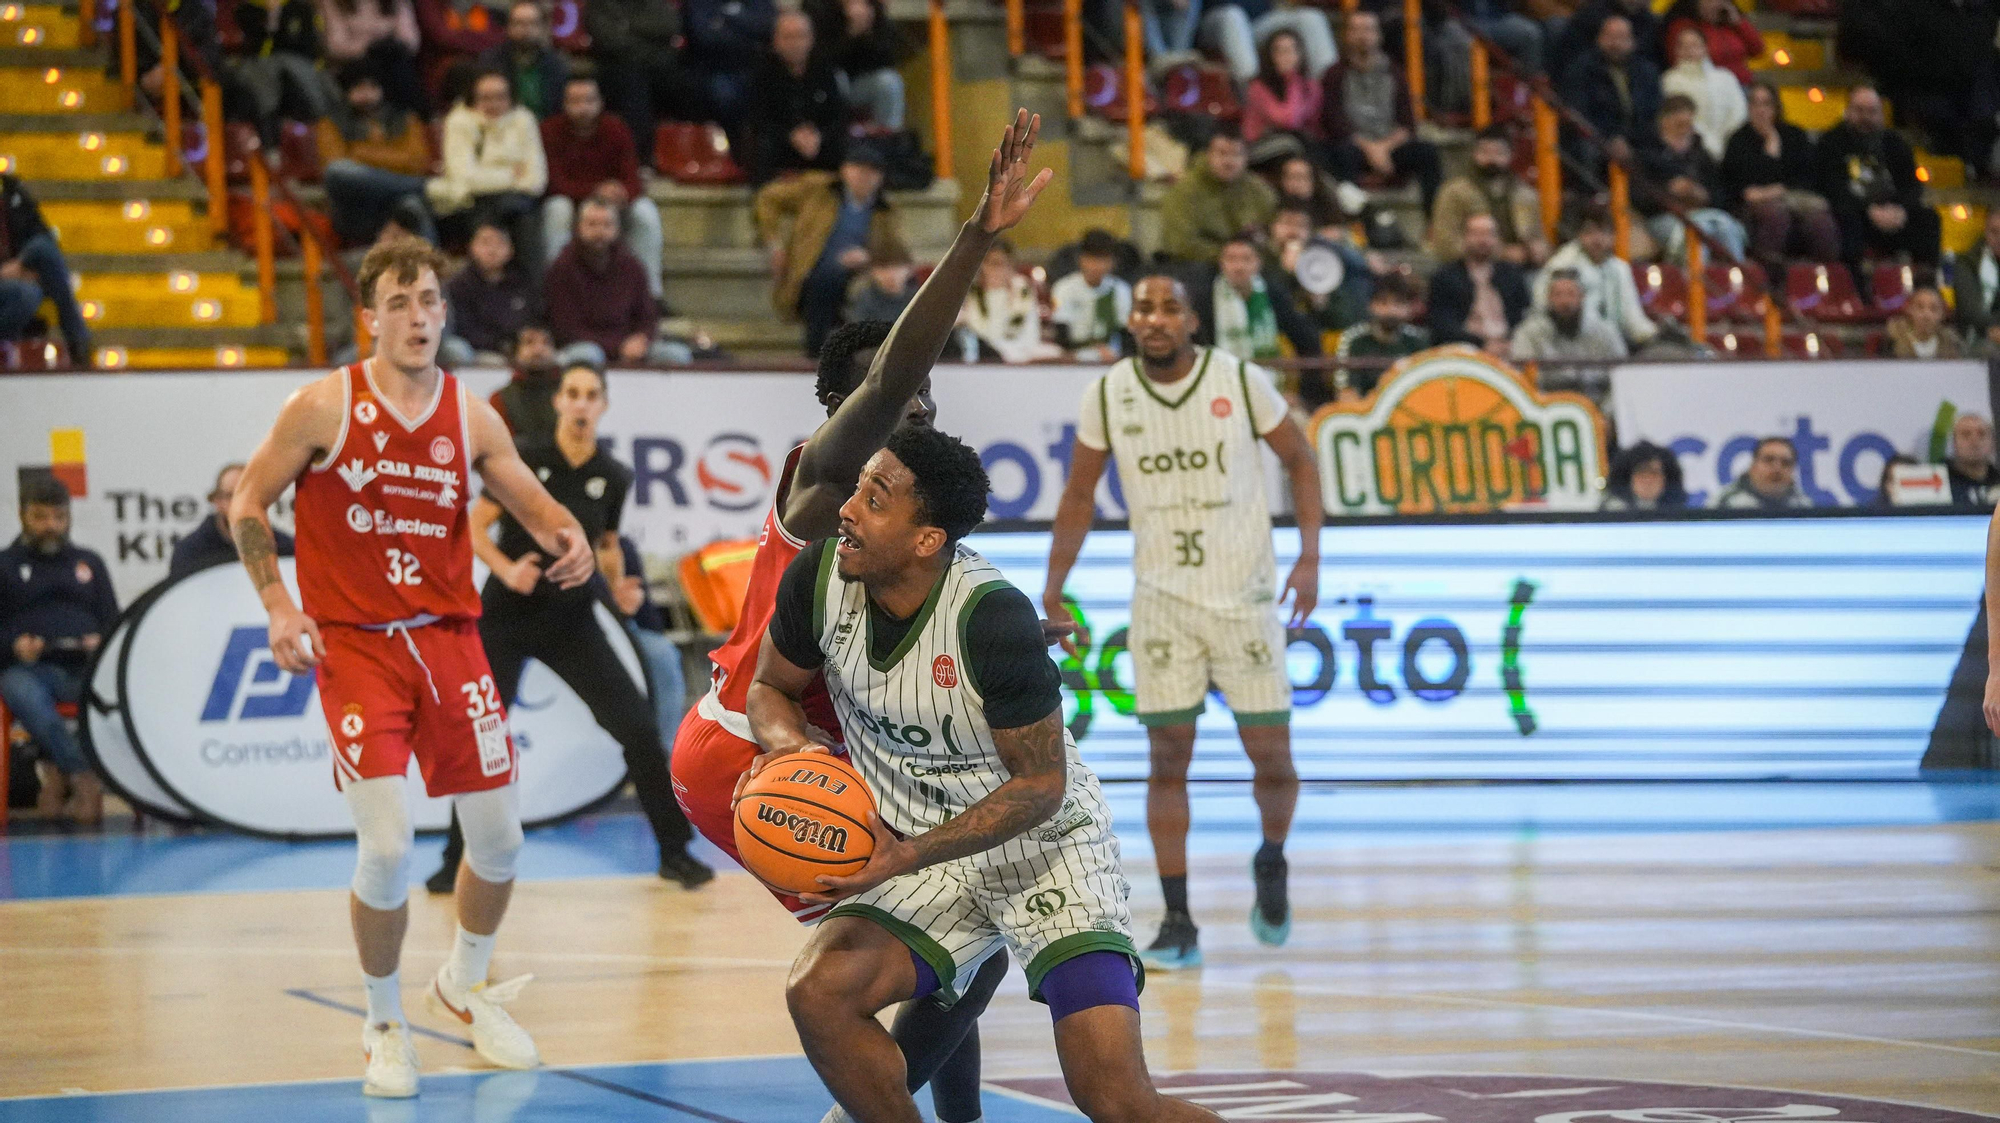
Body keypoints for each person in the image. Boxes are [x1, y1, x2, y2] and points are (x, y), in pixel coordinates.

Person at [671, 110, 1051, 1123]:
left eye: (928, 395)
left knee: (953, 929)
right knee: (954, 936)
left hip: (798, 741)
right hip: (752, 743)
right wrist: (975, 238)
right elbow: (886, 377)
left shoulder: (907, 518)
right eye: (899, 397)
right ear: (842, 412)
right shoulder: (826, 480)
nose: (916, 406)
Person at [749, 425, 1232, 1123]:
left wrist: (907, 852)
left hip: (1046, 854)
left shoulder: (992, 618)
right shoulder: (821, 577)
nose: (847, 508)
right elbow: (769, 687)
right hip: (919, 849)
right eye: (857, 487)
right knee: (819, 990)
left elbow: (1040, 787)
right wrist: (790, 753)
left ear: (926, 539)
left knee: (1118, 1100)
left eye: (875, 499)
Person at [228, 239, 596, 1098]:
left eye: (430, 300)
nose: (420, 317)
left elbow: (527, 499)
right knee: (389, 848)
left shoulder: (471, 414)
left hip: (449, 640)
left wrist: (566, 535)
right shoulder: (322, 405)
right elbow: (249, 500)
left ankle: (463, 986)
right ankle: (384, 1020)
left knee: (501, 839)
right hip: (355, 643)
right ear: (369, 318)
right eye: (399, 303)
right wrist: (280, 605)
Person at [1044, 272, 1323, 970]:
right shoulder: (1108, 392)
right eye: (1145, 307)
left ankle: (1271, 856)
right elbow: (1080, 494)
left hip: (1247, 597)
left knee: (1275, 762)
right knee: (1167, 759)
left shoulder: (1240, 379)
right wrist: (1053, 587)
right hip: (1162, 598)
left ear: (1193, 319)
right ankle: (1177, 918)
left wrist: (1310, 556)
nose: (1157, 317)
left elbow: (1300, 458)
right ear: (1131, 320)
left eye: (1171, 306)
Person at [424, 361, 712, 893]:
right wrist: (507, 569)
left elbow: (605, 544)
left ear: (602, 405)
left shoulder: (615, 475)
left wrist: (621, 586)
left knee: (641, 732)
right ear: (558, 401)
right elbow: (472, 526)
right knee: (480, 738)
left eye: (591, 395)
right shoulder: (527, 456)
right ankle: (452, 860)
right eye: (572, 393)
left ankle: (675, 852)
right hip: (506, 618)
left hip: (572, 619)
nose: (580, 403)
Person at [0, 473, 112, 824]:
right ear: (22, 515)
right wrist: (14, 645)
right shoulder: (4, 565)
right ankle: (83, 776)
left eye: (59, 517)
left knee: (124, 693)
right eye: (41, 517)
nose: (51, 526)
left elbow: (114, 620)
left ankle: (57, 775)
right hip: (31, 670)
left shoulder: (89, 563)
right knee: (22, 691)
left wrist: (102, 641)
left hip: (85, 667)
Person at [757, 146, 902, 358]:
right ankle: (816, 351)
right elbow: (768, 198)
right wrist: (774, 243)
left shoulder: (885, 211)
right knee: (824, 279)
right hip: (815, 267)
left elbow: (895, 250)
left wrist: (868, 257)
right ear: (844, 170)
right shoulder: (818, 190)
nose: (864, 177)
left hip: (862, 272)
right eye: (858, 169)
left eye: (872, 172)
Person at [539, 73, 665, 301]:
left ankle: (650, 294)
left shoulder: (616, 127)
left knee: (646, 212)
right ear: (564, 104)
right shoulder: (549, 130)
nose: (583, 108)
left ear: (600, 102)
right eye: (575, 102)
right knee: (557, 208)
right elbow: (553, 182)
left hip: (612, 204)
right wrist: (595, 192)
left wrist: (622, 192)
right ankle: (555, 293)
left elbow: (632, 177)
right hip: (573, 202)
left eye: (589, 100)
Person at [1813, 85, 1942, 280]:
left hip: (1893, 214)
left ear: (1881, 115)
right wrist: (1869, 210)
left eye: (1872, 111)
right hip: (1854, 214)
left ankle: (1925, 285)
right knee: (1846, 221)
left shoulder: (1894, 143)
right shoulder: (1831, 143)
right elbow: (1832, 188)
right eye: (1859, 110)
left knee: (1929, 218)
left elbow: (1913, 186)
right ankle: (1856, 288)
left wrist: (1899, 209)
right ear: (1847, 111)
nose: (1866, 117)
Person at [1320, 10, 1443, 214]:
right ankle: (1353, 222)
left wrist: (1383, 148)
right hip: (1354, 146)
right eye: (1356, 30)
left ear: (1379, 35)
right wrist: (1371, 149)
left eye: (1368, 29)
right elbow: (1334, 122)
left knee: (1428, 152)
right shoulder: (1334, 75)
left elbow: (1407, 123)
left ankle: (1432, 222)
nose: (1363, 36)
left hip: (1389, 147)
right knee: (1338, 153)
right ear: (1346, 35)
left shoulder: (1395, 73)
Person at [428, 69, 547, 275]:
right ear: (473, 98)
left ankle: (531, 294)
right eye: (486, 98)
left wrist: (486, 175)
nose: (493, 104)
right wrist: (512, 174)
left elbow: (536, 180)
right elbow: (464, 179)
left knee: (521, 213)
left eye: (500, 97)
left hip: (515, 202)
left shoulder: (524, 119)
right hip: (470, 203)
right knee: (491, 216)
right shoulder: (458, 121)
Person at [544, 197, 685, 367]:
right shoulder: (562, 267)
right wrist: (617, 347)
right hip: (582, 347)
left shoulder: (631, 266)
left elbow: (648, 315)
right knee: (588, 354)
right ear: (578, 228)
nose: (600, 232)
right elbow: (565, 329)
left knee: (675, 354)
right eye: (592, 224)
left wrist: (642, 339)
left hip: (629, 346)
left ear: (617, 229)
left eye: (607, 225)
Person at [1720, 82, 1838, 274]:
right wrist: (1769, 158)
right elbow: (1738, 185)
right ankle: (1769, 280)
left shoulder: (1794, 136)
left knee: (1820, 222)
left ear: (1776, 107)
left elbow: (1806, 176)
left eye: (1766, 104)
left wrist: (1775, 188)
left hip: (1793, 198)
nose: (1761, 110)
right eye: (1755, 104)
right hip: (1749, 206)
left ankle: (1827, 277)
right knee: (1775, 215)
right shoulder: (1738, 140)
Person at [321, 63, 439, 248]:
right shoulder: (331, 122)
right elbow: (335, 162)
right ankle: (423, 187)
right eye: (359, 87)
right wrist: (392, 161)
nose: (366, 94)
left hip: (395, 202)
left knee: (412, 205)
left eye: (372, 87)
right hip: (356, 207)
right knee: (337, 171)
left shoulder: (405, 118)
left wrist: (360, 154)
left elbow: (416, 162)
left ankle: (431, 269)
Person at [1639, 94, 1747, 263]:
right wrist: (1670, 192)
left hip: (1702, 212)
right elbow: (1638, 196)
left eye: (1687, 124)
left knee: (1726, 227)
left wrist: (1703, 195)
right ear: (1663, 123)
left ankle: (1737, 278)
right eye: (1678, 124)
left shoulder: (1702, 156)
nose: (1684, 130)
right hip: (1664, 216)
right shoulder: (1647, 155)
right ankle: (1696, 284)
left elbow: (1720, 193)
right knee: (1696, 231)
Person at [747, 10, 851, 186]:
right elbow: (758, 119)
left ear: (811, 39)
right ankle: (764, 203)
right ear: (775, 41)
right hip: (781, 142)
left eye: (801, 36)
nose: (795, 43)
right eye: (788, 37)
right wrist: (791, 135)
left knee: (848, 150)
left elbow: (839, 116)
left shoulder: (826, 71)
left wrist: (819, 135)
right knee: (761, 148)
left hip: (818, 142)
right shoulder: (762, 73)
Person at [1536, 204, 1657, 351]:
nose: (1597, 239)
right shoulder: (1562, 264)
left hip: (1613, 344)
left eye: (1604, 232)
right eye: (1590, 232)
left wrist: (1656, 336)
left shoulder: (1620, 268)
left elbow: (1632, 319)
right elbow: (1543, 310)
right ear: (1579, 235)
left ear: (1613, 236)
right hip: (1569, 344)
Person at [584, 0, 690, 166]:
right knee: (632, 85)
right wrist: (650, 41)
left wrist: (627, 25)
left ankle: (684, 152)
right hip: (616, 66)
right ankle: (638, 160)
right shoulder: (601, 4)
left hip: (657, 66)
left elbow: (669, 26)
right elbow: (609, 40)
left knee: (690, 83)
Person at [1195, 235, 1323, 369]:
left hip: (1268, 378)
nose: (1239, 267)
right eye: (1231, 259)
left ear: (1258, 262)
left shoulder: (1273, 293)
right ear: (1221, 263)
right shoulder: (1206, 297)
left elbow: (1304, 337)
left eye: (1246, 259)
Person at [1425, 124, 1547, 265]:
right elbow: (1446, 244)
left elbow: (1538, 237)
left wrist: (1537, 250)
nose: (1491, 158)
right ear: (1474, 153)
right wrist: (1502, 253)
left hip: (1517, 269)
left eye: (1498, 152)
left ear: (1510, 155)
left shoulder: (1526, 195)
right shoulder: (1454, 192)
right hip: (1466, 267)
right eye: (1485, 152)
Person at [0, 175, 90, 363]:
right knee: (27, 294)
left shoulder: (12, 191)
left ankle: (78, 342)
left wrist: (22, 265)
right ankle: (78, 340)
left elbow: (42, 233)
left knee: (44, 249)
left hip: (19, 270)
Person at [1160, 126, 1279, 265]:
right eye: (1222, 153)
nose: (1229, 161)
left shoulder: (1259, 190)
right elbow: (1180, 244)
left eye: (1236, 154)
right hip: (1199, 264)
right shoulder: (1185, 190)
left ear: (1246, 158)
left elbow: (1273, 232)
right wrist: (1230, 258)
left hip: (1250, 264)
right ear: (1208, 155)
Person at [1559, 14, 1660, 173]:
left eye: (1621, 38)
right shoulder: (1581, 69)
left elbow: (1653, 113)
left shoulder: (1646, 72)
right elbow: (1579, 113)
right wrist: (1611, 139)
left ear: (1632, 41)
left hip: (1637, 141)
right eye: (1610, 37)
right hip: (1597, 140)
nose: (1616, 44)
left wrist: (1628, 140)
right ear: (1599, 39)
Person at [231, 0, 336, 148]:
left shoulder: (301, 8)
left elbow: (306, 44)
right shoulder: (246, 9)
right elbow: (250, 43)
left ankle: (320, 135)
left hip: (298, 64)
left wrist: (277, 24)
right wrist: (270, 22)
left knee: (302, 78)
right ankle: (268, 143)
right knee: (260, 76)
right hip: (257, 65)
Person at [612, 534, 687, 739]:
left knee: (660, 651)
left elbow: (650, 621)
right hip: (571, 623)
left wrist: (627, 606)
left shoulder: (622, 547)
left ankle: (666, 752)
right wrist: (609, 601)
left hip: (624, 626)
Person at [168, 463, 297, 581]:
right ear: (217, 501)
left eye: (249, 495)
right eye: (231, 496)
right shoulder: (191, 552)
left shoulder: (285, 547)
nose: (241, 504)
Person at [1426, 213, 1531, 352]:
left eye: (1489, 234)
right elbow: (1443, 324)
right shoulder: (1445, 277)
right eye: (1476, 234)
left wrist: (1509, 341)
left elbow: (1524, 314)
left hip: (1510, 346)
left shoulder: (1512, 274)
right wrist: (1481, 344)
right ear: (1465, 237)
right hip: (1464, 349)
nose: (1483, 240)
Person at [442, 221, 538, 365]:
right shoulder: (458, 285)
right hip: (479, 351)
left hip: (520, 348)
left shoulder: (522, 281)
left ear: (511, 250)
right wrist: (504, 345)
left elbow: (533, 319)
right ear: (471, 247)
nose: (492, 250)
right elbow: (465, 329)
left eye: (500, 243)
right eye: (485, 243)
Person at [1509, 268, 1628, 383]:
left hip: (1596, 400)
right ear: (1548, 298)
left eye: (1571, 294)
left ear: (1582, 297)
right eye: (1558, 294)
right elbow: (1521, 377)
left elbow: (1622, 375)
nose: (1565, 301)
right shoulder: (1529, 333)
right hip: (1546, 400)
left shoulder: (1605, 332)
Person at [806, 0, 909, 129]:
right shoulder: (817, 7)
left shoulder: (872, 7)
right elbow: (820, 59)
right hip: (824, 86)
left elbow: (888, 59)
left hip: (858, 84)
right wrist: (851, 33)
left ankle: (888, 138)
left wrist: (867, 31)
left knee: (889, 82)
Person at [959, 239, 1061, 364]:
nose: (995, 269)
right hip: (985, 354)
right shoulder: (974, 294)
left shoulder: (1022, 290)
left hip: (1022, 351)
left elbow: (1030, 334)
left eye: (1000, 263)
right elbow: (978, 333)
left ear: (1010, 265)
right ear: (982, 265)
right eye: (990, 263)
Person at [319, 0, 427, 114]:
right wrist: (371, 47)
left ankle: (411, 121)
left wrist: (386, 46)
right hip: (352, 64)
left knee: (399, 66)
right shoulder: (332, 3)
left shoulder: (396, 3)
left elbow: (411, 41)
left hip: (390, 59)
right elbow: (336, 46)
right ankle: (419, 117)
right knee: (388, 70)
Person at [1334, 271, 1428, 397]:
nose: (1391, 310)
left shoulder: (1418, 340)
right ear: (1372, 305)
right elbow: (1346, 393)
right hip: (1364, 412)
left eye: (1398, 303)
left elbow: (1426, 390)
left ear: (1408, 308)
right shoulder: (1353, 338)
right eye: (1383, 303)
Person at [1660, 23, 1743, 161]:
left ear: (1705, 48)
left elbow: (1738, 113)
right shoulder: (1670, 80)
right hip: (1691, 154)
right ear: (1677, 51)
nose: (1689, 51)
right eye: (1683, 46)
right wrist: (1708, 144)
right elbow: (1679, 117)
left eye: (1694, 45)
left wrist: (1728, 142)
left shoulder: (1726, 77)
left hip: (1730, 150)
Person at [1048, 228, 1133, 361]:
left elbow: (1127, 334)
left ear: (1112, 262)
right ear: (1081, 259)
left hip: (1110, 356)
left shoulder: (1121, 290)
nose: (1096, 266)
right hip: (1073, 355)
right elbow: (1061, 333)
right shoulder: (1063, 288)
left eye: (1103, 260)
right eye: (1092, 259)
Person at [476, 0, 569, 117]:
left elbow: (558, 109)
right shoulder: (491, 61)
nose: (526, 30)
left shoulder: (556, 64)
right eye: (519, 23)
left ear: (541, 27)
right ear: (508, 26)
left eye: (532, 23)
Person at [1242, 30, 1323, 145]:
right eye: (1280, 51)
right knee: (1290, 144)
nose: (1286, 56)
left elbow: (1313, 124)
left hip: (1298, 141)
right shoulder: (1258, 87)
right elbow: (1288, 121)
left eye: (1291, 50)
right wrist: (1292, 80)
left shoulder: (1311, 86)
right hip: (1261, 144)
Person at [488, 322, 562, 441]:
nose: (538, 350)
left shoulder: (571, 394)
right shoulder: (499, 399)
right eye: (529, 342)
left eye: (546, 343)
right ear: (515, 352)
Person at [1663, 0, 1761, 85]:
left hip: (1743, 83)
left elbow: (1757, 49)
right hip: (1705, 85)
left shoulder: (1731, 25)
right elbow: (1677, 59)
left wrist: (1738, 22)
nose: (1716, 4)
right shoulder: (1684, 27)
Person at [1711, 436, 1811, 509]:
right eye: (1769, 460)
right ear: (1753, 466)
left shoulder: (1803, 506)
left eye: (1785, 463)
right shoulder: (1724, 503)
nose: (1777, 468)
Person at [1955, 210, 2000, 353]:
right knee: (1987, 350)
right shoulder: (1967, 263)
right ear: (1986, 232)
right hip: (1976, 337)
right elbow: (1971, 311)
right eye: (1994, 232)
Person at [847, 239, 919, 324]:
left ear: (910, 269)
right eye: (882, 268)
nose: (890, 274)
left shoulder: (918, 298)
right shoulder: (865, 300)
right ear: (871, 272)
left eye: (897, 266)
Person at [1599, 441, 1689, 510]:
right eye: (1642, 472)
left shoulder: (1679, 516)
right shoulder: (1612, 513)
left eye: (1654, 473)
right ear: (1627, 478)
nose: (1648, 479)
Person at [1889, 285, 1965, 359]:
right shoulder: (1892, 342)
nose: (1926, 315)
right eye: (1920, 307)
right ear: (1909, 309)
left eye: (1934, 309)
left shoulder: (1952, 343)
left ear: (1943, 313)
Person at [1948, 413, 2000, 509]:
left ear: (1993, 443)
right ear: (1954, 443)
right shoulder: (1942, 484)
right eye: (1966, 434)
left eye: (1982, 434)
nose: (1974, 441)